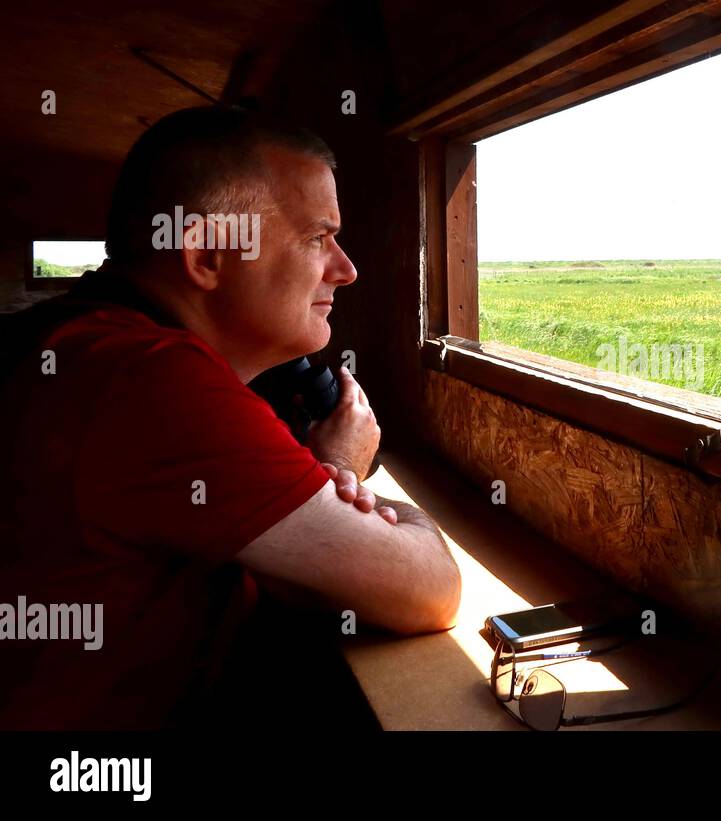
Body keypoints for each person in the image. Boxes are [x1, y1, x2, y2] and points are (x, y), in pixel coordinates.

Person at [0, 106, 461, 729]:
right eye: (318, 238)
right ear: (207, 255)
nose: (346, 269)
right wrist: (340, 471)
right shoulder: (148, 379)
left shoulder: (82, 340)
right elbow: (431, 591)